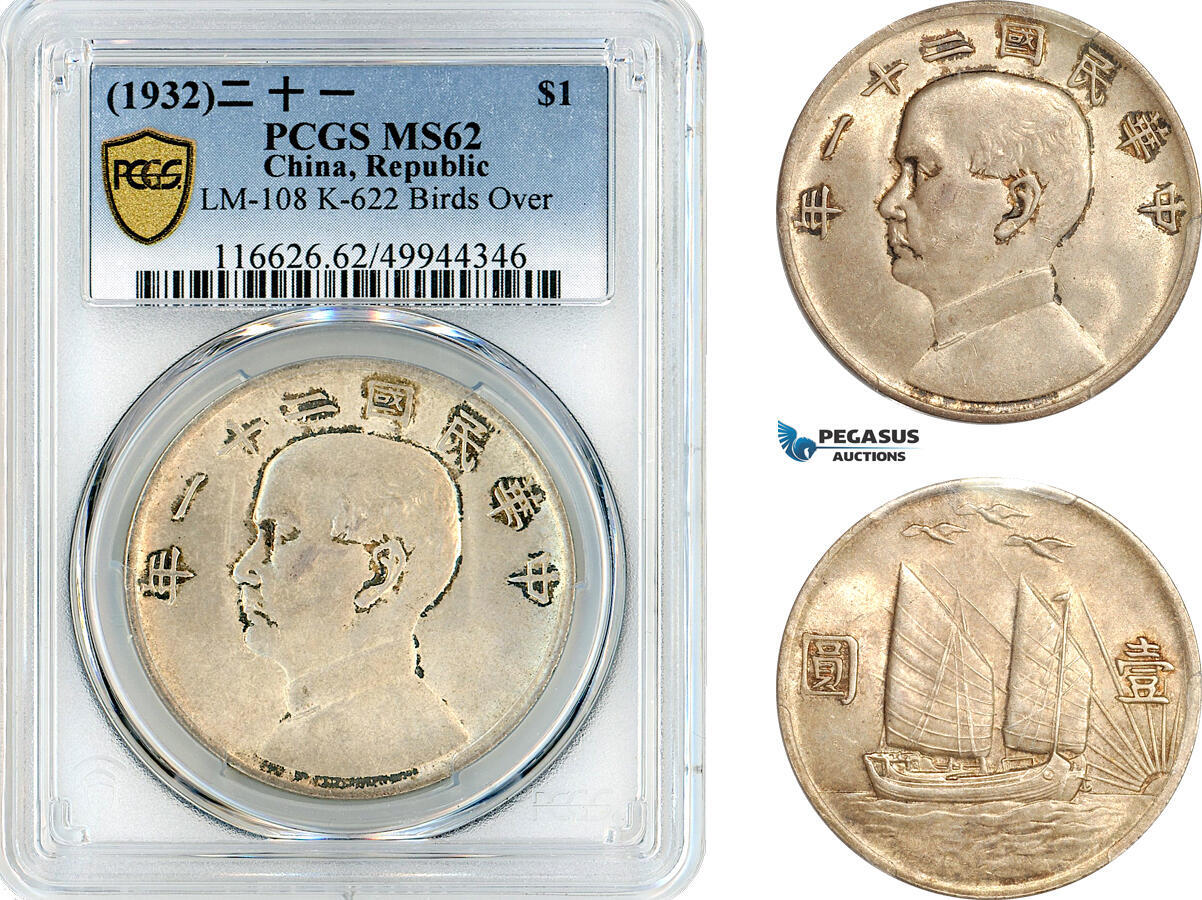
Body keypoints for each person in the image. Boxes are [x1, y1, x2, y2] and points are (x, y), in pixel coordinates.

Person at [232, 429, 468, 777]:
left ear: (379, 575)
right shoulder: (308, 733)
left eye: (281, 537)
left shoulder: (392, 739)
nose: (242, 570)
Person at [877, 71, 1105, 402]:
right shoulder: (956, 358)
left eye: (923, 173)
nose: (888, 205)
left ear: (1016, 208)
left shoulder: (1036, 363)